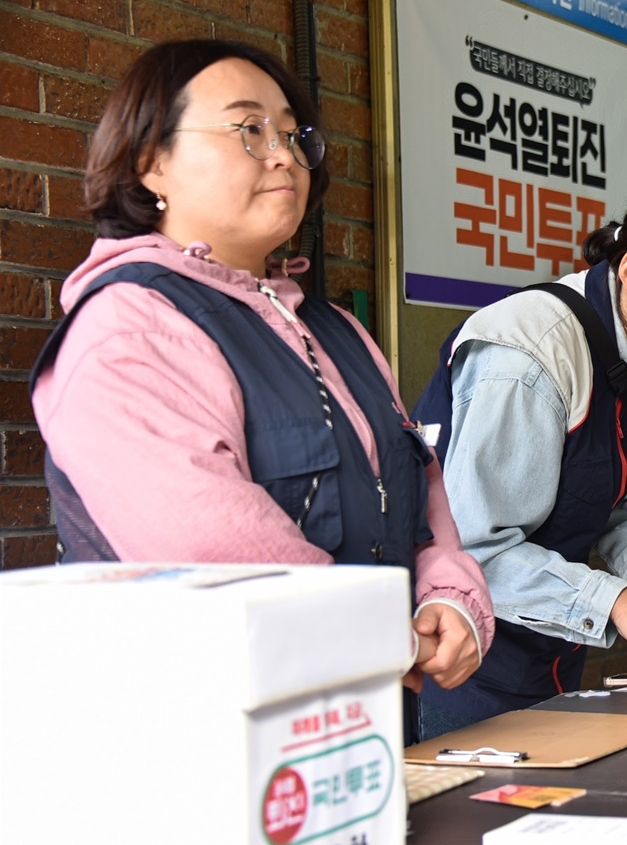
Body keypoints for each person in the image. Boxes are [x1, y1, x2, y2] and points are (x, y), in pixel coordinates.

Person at [29, 39, 494, 744]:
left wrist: (452, 600)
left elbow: (420, 494)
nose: (283, 155)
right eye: (248, 129)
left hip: (352, 734)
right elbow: (209, 545)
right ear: (151, 162)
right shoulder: (128, 326)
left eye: (292, 135)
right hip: (197, 752)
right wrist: (380, 633)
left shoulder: (333, 327)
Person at [412, 171, 627, 737]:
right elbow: (476, 548)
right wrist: (618, 601)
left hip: (553, 654)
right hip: (466, 661)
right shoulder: (527, 359)